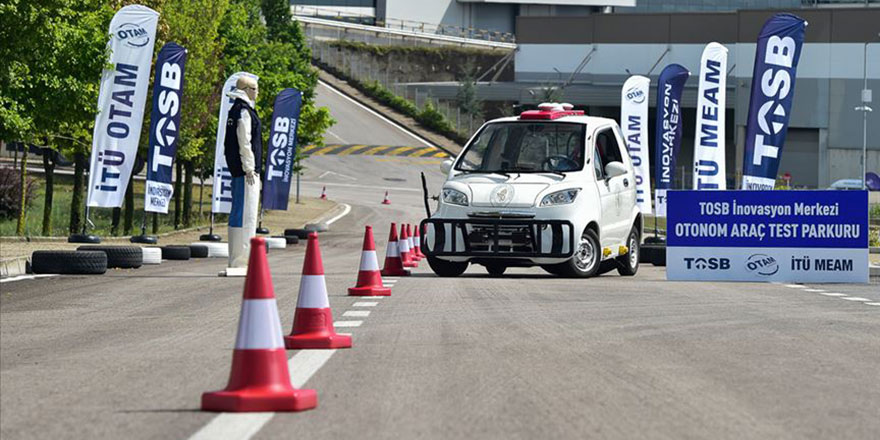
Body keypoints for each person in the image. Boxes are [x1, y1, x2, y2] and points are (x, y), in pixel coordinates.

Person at [224, 75, 262, 270]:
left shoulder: (235, 110)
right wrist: (250, 168)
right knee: (246, 214)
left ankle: (236, 259)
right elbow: (244, 142)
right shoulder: (244, 112)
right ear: (247, 90)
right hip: (246, 171)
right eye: (255, 89)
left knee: (238, 210)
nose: (257, 92)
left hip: (237, 169)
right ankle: (242, 260)